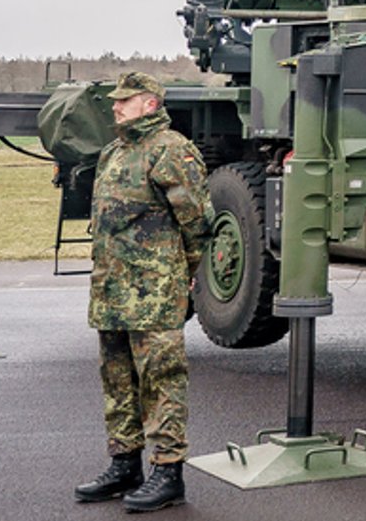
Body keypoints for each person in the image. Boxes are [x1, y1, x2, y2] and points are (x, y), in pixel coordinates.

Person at [74, 72, 212, 513]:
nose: (115, 106)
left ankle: (168, 472)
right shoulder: (114, 152)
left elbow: (197, 223)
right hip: (112, 289)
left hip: (153, 290)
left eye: (125, 101)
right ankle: (124, 464)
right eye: (115, 100)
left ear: (150, 105)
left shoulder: (172, 150)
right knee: (117, 380)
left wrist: (184, 274)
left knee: (161, 380)